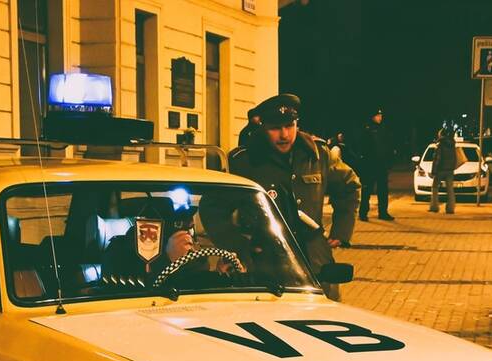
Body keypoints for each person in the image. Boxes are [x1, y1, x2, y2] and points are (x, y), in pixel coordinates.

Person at [227, 93, 360, 299]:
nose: (284, 134)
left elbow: (349, 185)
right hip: (265, 265)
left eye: (290, 126)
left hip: (315, 262)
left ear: (297, 123)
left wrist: (342, 230)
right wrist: (237, 247)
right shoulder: (244, 162)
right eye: (275, 128)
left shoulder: (317, 155)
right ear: (262, 127)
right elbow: (215, 208)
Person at [100, 204, 241, 286]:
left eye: (189, 227)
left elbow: (195, 286)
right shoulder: (122, 251)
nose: (187, 234)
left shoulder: (194, 257)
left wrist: (221, 274)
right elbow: (133, 295)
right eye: (180, 225)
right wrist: (169, 260)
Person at [358, 108, 394, 221]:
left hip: (381, 164)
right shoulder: (367, 129)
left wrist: (388, 161)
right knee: (367, 190)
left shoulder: (383, 129)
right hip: (370, 165)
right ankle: (363, 213)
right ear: (373, 117)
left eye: (381, 115)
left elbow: (387, 146)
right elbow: (363, 147)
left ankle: (383, 212)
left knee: (383, 190)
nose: (380, 117)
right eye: (378, 116)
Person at [429, 128, 461, 214]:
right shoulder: (452, 144)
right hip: (450, 169)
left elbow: (437, 158)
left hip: (440, 169)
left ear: (441, 135)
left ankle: (434, 206)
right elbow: (455, 157)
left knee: (435, 187)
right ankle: (450, 208)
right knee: (450, 189)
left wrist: (433, 171)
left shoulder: (440, 144)